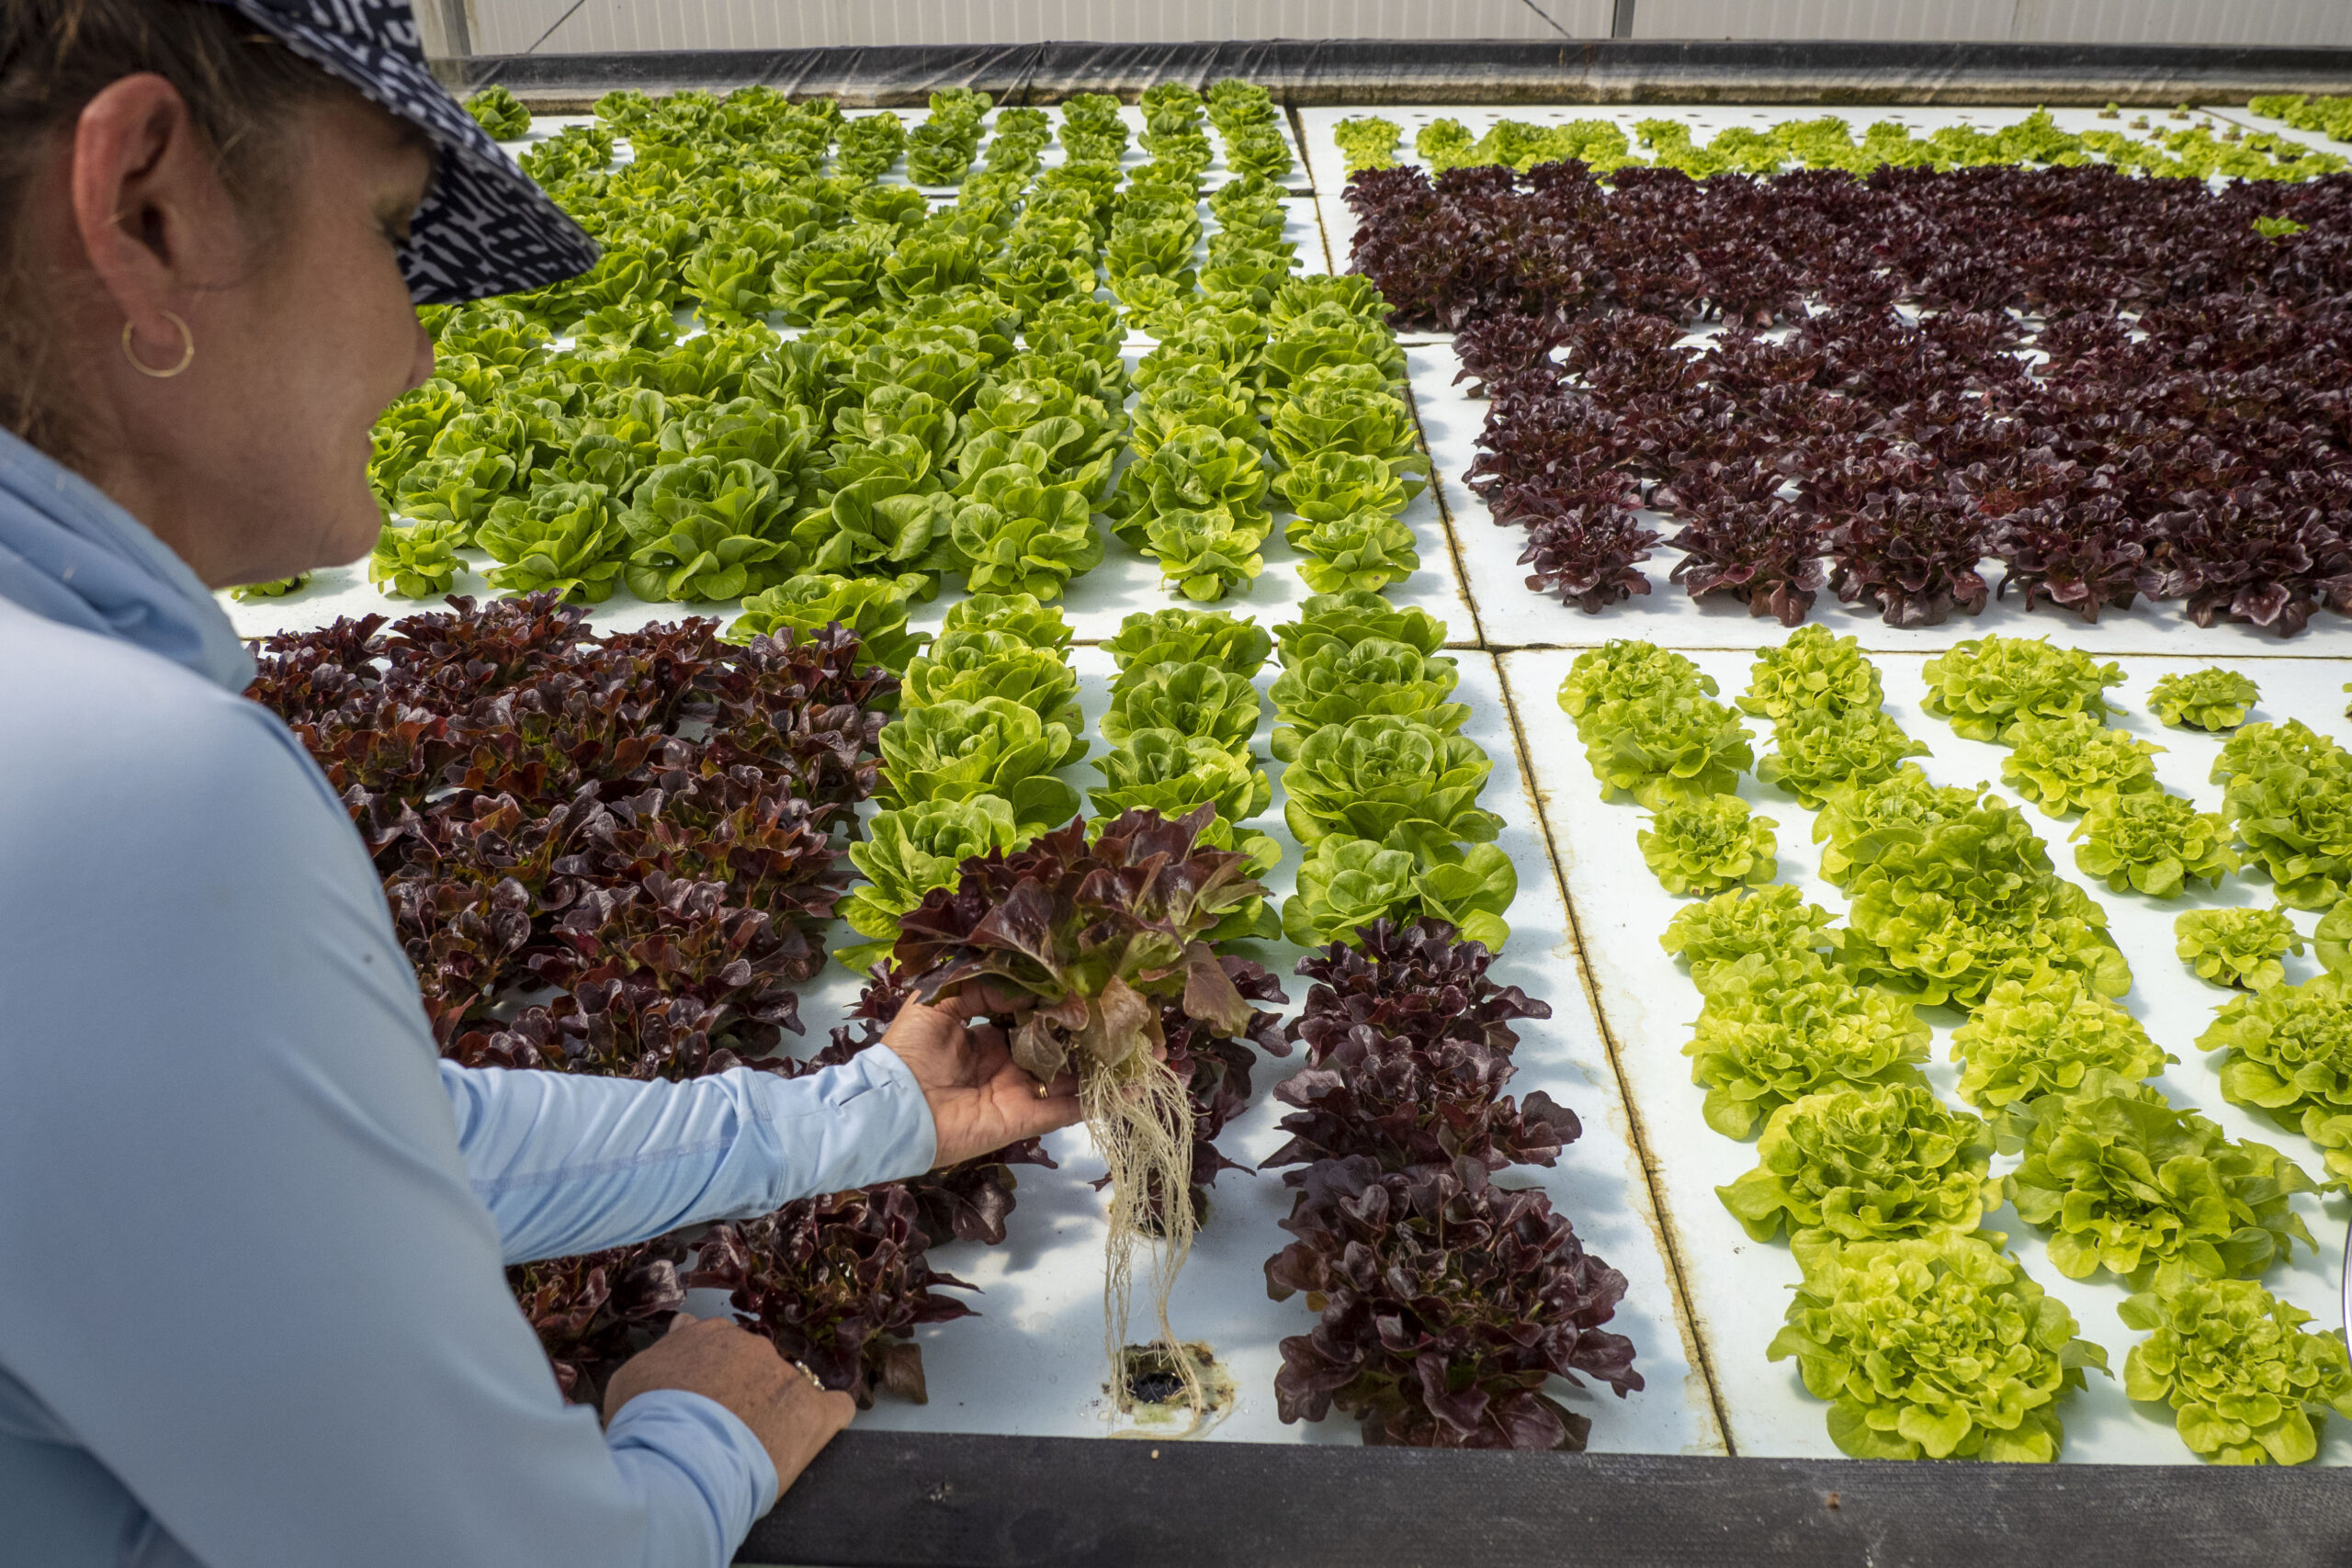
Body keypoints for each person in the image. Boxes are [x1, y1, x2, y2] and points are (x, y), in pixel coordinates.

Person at [0, 2, 1082, 1563]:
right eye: (386, 230)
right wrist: (711, 1431)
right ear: (145, 212)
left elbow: (377, 1142)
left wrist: (871, 1116)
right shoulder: (124, 797)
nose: (420, 343)